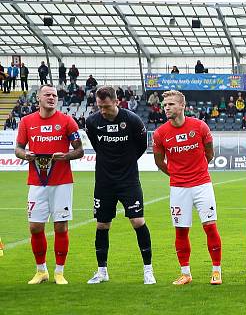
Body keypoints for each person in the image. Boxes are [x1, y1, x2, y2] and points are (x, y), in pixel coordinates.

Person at [14, 84, 84, 284]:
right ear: (39, 98)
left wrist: (65, 156)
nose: (52, 98)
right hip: (37, 182)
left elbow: (79, 150)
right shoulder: (27, 122)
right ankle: (41, 270)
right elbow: (18, 148)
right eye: (47, 94)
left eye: (54, 95)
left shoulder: (67, 121)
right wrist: (25, 155)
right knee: (35, 227)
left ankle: (59, 272)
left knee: (60, 227)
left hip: (62, 182)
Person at [83, 86, 154, 285]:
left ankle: (148, 270)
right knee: (102, 225)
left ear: (116, 102)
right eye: (99, 107)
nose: (103, 111)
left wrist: (126, 162)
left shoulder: (132, 120)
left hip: (128, 180)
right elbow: (97, 146)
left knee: (138, 222)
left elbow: (140, 147)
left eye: (106, 106)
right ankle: (102, 271)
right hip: (104, 181)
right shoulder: (92, 122)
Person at [152, 90, 222, 285]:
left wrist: (197, 171)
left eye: (171, 104)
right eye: (165, 105)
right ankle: (185, 273)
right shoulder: (160, 133)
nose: (167, 108)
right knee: (181, 230)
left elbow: (209, 153)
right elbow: (159, 162)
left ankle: (216, 271)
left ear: (182, 106)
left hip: (202, 185)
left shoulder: (200, 126)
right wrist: (176, 175)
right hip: (178, 188)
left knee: (210, 226)